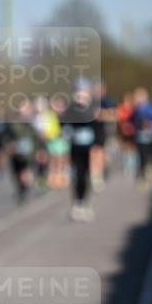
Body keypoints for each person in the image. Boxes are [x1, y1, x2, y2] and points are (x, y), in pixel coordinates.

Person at [60, 81, 99, 221]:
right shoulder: (71, 108)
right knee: (78, 174)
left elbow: (96, 126)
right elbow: (63, 123)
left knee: (86, 176)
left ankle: (85, 202)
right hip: (75, 147)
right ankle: (77, 202)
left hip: (88, 148)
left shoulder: (92, 107)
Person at [3, 99, 38, 203]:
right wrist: (8, 145)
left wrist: (38, 149)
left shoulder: (30, 122)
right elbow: (5, 136)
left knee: (26, 171)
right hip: (16, 152)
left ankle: (24, 189)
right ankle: (20, 188)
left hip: (27, 153)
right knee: (16, 172)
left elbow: (35, 136)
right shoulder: (12, 122)